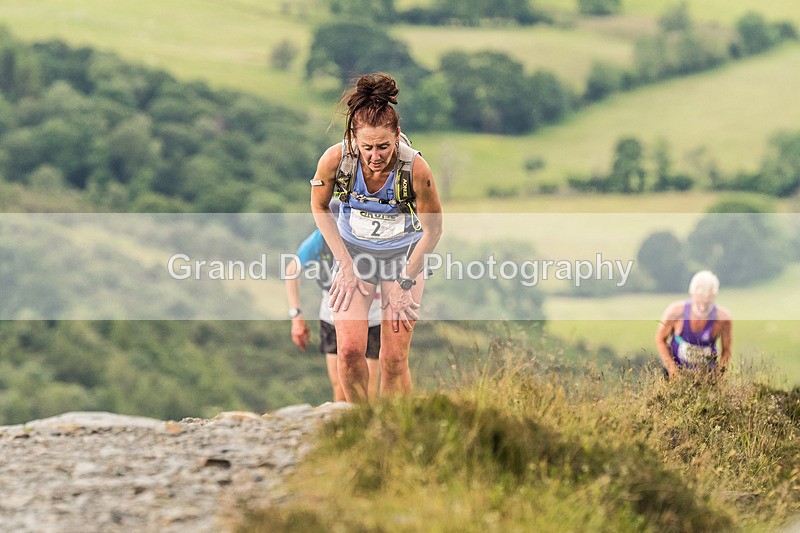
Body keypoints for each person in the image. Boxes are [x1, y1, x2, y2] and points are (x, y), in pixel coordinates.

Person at [309, 72, 443, 402]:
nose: (375, 155)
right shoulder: (335, 160)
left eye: (384, 146)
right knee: (350, 352)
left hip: (404, 258)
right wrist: (345, 265)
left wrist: (405, 283)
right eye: (366, 147)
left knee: (393, 358)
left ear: (397, 137)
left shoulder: (416, 169)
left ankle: (396, 429)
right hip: (354, 255)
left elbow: (433, 230)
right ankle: (359, 425)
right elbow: (319, 207)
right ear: (353, 140)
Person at [284, 228, 382, 401]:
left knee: (368, 389)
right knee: (340, 387)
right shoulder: (321, 237)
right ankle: (344, 427)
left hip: (373, 319)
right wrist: (296, 315)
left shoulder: (372, 229)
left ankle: (367, 425)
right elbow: (292, 269)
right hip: (332, 318)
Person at [655, 270, 733, 379]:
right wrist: (672, 368)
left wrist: (718, 376)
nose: (702, 307)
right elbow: (660, 340)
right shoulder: (675, 311)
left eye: (707, 303)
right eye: (699, 302)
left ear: (714, 296)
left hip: (706, 377)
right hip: (676, 373)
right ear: (692, 293)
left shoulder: (723, 318)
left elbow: (727, 351)